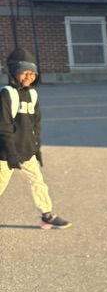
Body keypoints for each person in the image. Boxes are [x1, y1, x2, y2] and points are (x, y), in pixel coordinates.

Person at [0, 48, 71, 229]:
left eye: (32, 74)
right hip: (6, 152)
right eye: (24, 73)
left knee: (38, 181)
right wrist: (11, 153)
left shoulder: (32, 94)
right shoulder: (6, 94)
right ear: (13, 72)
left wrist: (36, 147)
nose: (29, 77)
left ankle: (47, 215)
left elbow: (35, 124)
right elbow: (4, 126)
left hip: (27, 150)